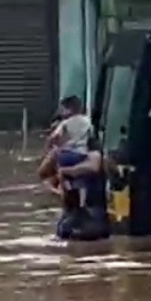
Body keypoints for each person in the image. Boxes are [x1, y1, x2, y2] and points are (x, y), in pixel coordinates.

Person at [38, 96, 110, 241]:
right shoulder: (60, 153)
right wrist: (56, 189)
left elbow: (94, 166)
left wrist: (66, 171)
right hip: (71, 218)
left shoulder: (91, 144)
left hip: (92, 214)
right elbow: (42, 174)